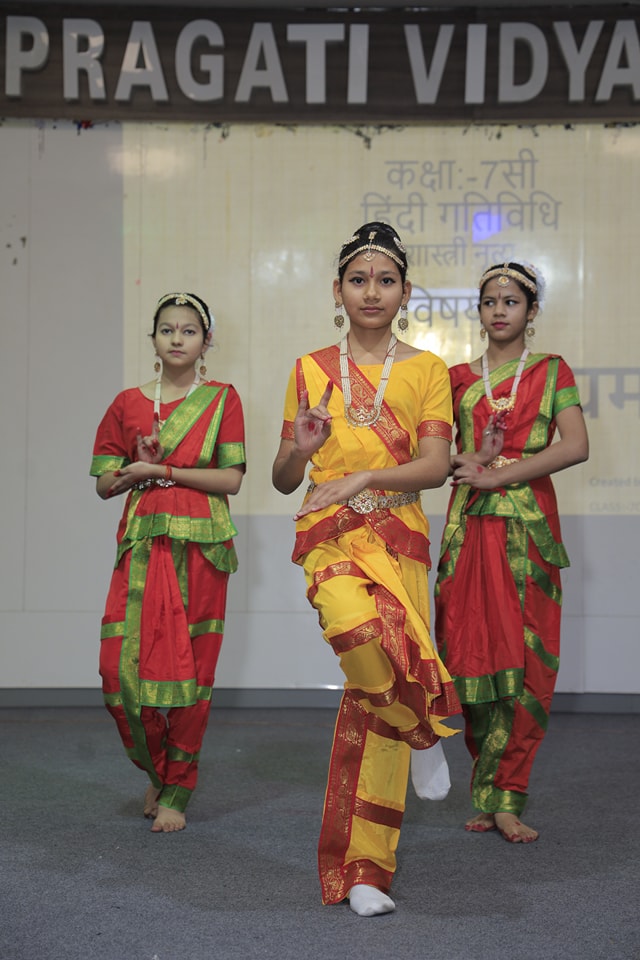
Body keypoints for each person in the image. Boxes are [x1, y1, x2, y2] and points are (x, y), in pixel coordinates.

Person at [272, 222, 461, 916]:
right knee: (355, 630)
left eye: (385, 280)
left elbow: (436, 468)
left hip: (400, 534)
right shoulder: (309, 368)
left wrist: (363, 477)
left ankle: (365, 873)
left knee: (370, 707)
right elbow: (285, 476)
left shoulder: (427, 368)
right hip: (331, 536)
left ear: (405, 292)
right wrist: (301, 448)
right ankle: (423, 728)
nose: (371, 291)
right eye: (358, 279)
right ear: (338, 291)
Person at [435, 260, 589, 844]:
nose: (499, 310)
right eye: (489, 301)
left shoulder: (552, 372)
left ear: (531, 311)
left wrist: (505, 473)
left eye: (512, 301)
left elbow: (576, 445)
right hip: (470, 528)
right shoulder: (452, 377)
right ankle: (487, 786)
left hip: (526, 530)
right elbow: (436, 453)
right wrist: (465, 463)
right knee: (470, 654)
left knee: (526, 658)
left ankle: (510, 795)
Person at [91, 292, 245, 833]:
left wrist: (166, 473)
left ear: (206, 341)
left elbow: (231, 480)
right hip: (141, 550)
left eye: (189, 330)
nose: (177, 338)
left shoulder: (223, 399)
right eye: (166, 329)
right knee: (118, 674)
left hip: (201, 551)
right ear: (154, 338)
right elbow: (105, 485)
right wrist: (136, 470)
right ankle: (156, 769)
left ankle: (178, 787)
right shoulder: (128, 402)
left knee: (191, 678)